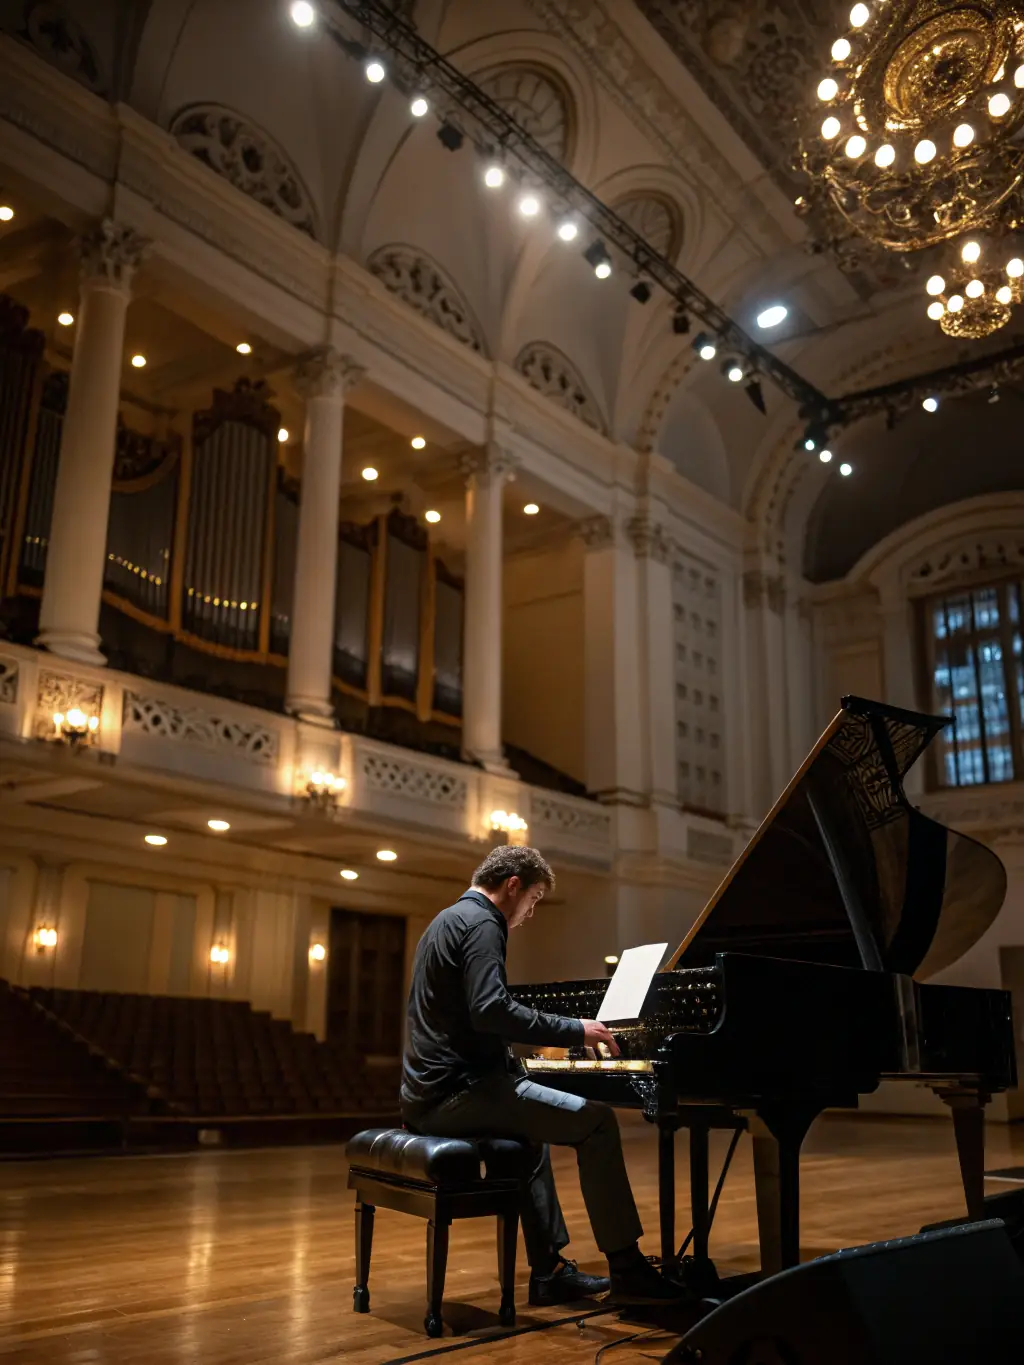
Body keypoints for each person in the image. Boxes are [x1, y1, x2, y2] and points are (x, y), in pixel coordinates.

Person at [400, 844, 684, 1306]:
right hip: (455, 1094)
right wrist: (576, 1030)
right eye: (533, 900)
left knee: (531, 1138)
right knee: (597, 1123)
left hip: (428, 1092)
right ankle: (629, 1272)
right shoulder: (483, 924)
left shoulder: (446, 920)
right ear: (513, 885)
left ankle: (549, 1273)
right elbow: (490, 1009)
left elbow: (470, 1021)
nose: (530, 913)